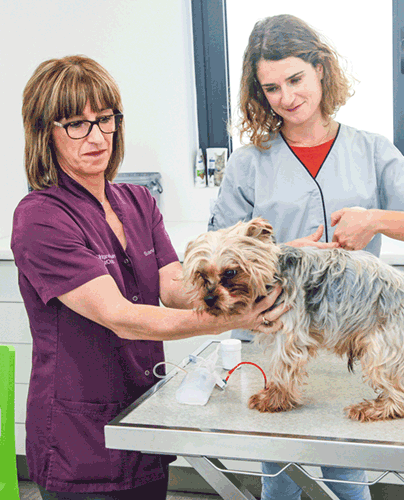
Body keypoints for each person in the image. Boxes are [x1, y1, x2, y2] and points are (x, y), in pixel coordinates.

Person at [11, 55, 287, 500]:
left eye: (104, 119)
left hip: (142, 418)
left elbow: (175, 289)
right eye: (76, 124)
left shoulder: (137, 201)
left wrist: (245, 277)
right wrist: (239, 319)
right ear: (46, 133)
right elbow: (121, 318)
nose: (97, 136)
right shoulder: (41, 217)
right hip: (79, 437)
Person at [208, 14, 404, 500]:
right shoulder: (248, 162)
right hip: (278, 342)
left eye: (296, 79)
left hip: (356, 343)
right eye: (271, 87)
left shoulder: (371, 150)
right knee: (277, 476)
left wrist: (375, 220)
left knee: (348, 476)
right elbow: (216, 255)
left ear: (321, 69)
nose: (287, 97)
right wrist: (279, 254)